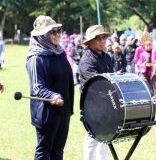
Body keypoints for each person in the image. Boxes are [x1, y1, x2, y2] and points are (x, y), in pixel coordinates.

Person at [26, 15, 74, 159]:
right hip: (46, 112)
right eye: (53, 32)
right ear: (42, 35)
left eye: (59, 30)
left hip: (63, 110)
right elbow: (36, 87)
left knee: (58, 150)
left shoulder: (60, 53)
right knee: (44, 151)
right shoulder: (35, 58)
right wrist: (52, 96)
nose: (58, 34)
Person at [78, 25, 113, 160]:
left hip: (108, 103)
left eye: (103, 37)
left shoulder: (107, 57)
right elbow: (96, 85)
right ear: (90, 42)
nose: (102, 41)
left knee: (106, 137)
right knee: (92, 139)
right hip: (92, 105)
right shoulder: (87, 60)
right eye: (98, 38)